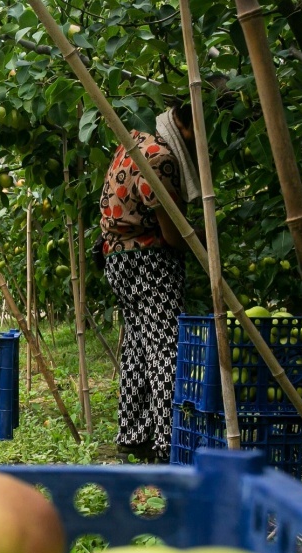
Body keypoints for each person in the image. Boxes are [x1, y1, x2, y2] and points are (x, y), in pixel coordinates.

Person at [98, 102, 199, 463]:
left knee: (139, 345)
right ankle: (167, 443)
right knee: (165, 347)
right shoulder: (160, 159)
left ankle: (135, 433)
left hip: (118, 259)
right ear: (187, 126)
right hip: (149, 260)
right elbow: (172, 235)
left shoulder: (134, 142)